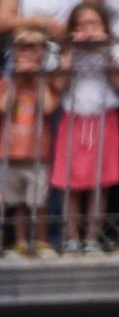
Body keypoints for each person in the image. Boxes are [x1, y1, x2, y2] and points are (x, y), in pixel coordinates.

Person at [52, 0, 119, 250]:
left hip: (104, 119)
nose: (87, 29)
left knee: (99, 183)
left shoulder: (114, 49)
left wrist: (103, 51)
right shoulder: (66, 51)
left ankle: (93, 237)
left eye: (93, 23)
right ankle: (71, 237)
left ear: (104, 25)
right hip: (74, 119)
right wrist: (72, 52)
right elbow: (59, 85)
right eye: (81, 25)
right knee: (70, 182)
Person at [0, 28, 48, 256]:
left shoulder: (44, 82)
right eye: (22, 49)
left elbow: (48, 106)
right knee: (17, 202)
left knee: (38, 202)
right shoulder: (7, 82)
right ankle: (19, 240)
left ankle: (39, 240)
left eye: (33, 49)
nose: (27, 54)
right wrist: (15, 79)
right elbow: (2, 108)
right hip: (11, 153)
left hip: (38, 153)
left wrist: (37, 77)